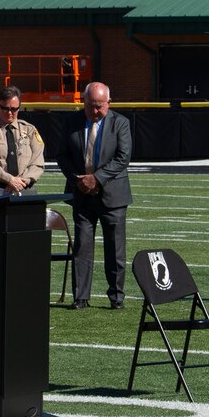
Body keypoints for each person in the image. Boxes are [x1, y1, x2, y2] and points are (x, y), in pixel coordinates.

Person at [56, 82, 133, 310]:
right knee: (82, 246)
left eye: (100, 106)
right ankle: (81, 297)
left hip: (113, 196)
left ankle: (116, 297)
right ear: (83, 102)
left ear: (109, 103)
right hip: (81, 195)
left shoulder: (121, 123)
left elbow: (123, 157)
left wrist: (96, 179)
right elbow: (62, 155)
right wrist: (78, 180)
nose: (96, 111)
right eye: (91, 106)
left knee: (115, 247)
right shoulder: (71, 122)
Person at [0, 85, 46, 198]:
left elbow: (37, 162)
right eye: (5, 108)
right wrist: (9, 180)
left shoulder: (30, 130)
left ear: (19, 108)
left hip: (25, 188)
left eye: (14, 109)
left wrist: (21, 182)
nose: (9, 113)